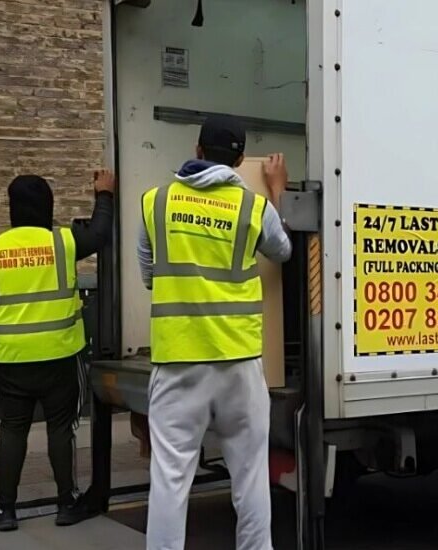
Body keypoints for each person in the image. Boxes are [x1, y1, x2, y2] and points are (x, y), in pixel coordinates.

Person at [137, 116, 291, 550]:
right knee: (250, 476)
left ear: (197, 149)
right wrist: (277, 191)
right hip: (239, 363)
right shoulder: (252, 207)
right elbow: (283, 251)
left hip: (178, 363)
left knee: (169, 481)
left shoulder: (156, 202)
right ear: (241, 160)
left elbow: (149, 273)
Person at [0, 170, 115, 531]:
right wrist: (104, 194)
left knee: (12, 431)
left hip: (11, 360)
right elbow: (99, 234)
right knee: (60, 430)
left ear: (11, 208)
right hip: (60, 357)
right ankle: (66, 502)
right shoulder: (63, 242)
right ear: (48, 206)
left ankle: (5, 509)